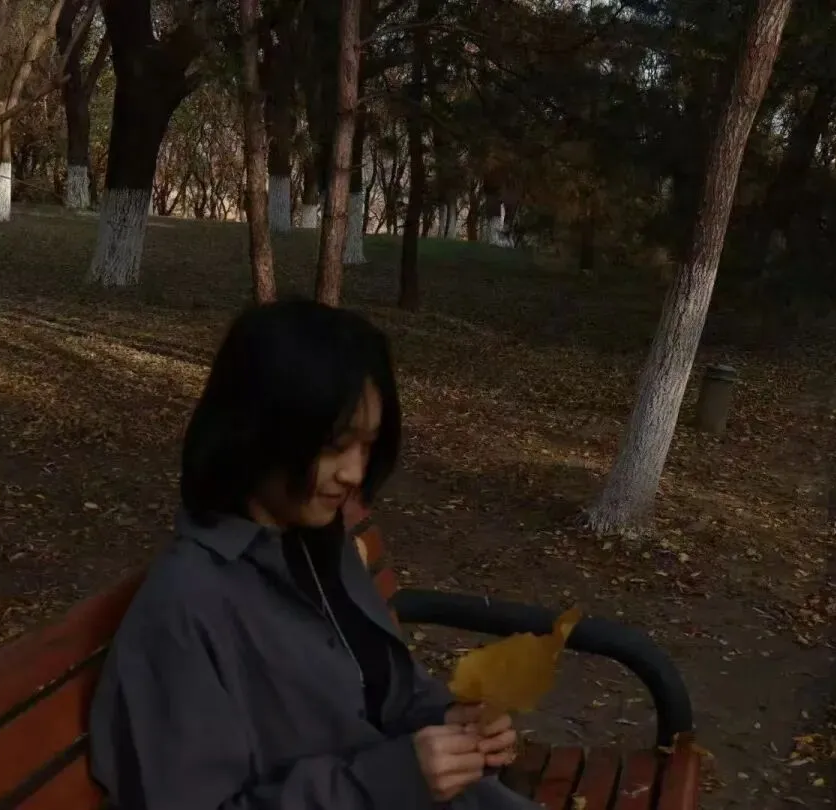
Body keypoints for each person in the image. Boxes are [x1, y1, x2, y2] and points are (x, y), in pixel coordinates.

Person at [89, 298, 540, 810]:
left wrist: (452, 726)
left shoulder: (320, 545)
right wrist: (390, 781)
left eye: (367, 446)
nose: (353, 473)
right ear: (259, 430)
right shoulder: (187, 607)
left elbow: (388, 697)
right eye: (334, 445)